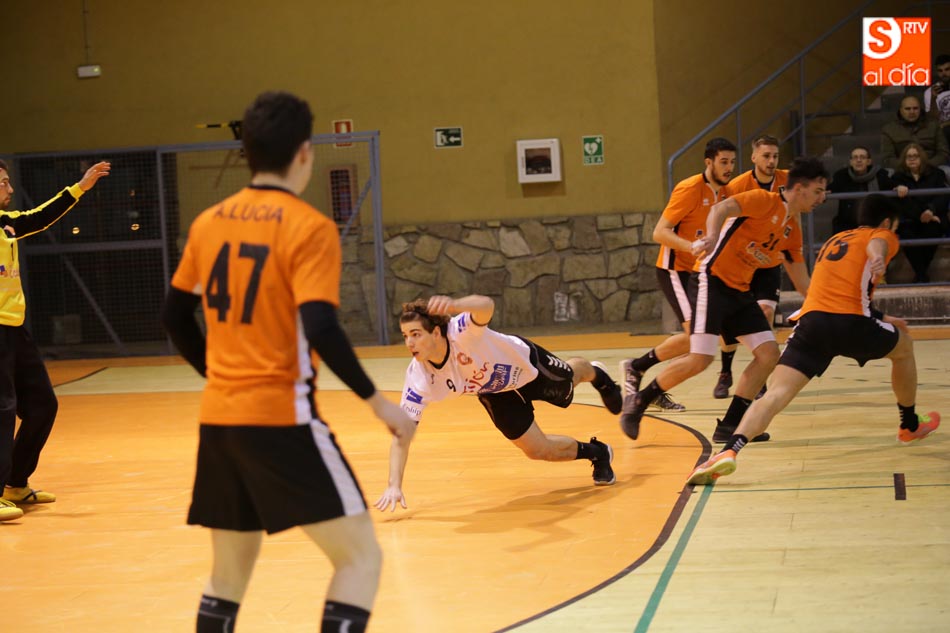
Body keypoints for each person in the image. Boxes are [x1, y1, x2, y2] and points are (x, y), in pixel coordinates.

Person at [161, 91, 416, 633]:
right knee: (361, 558)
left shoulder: (208, 223)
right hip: (281, 420)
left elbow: (175, 315)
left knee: (227, 576)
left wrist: (218, 375)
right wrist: (379, 405)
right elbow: (320, 326)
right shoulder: (309, 227)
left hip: (220, 420)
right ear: (304, 152)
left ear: (249, 152)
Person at [687, 194, 940, 485]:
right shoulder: (881, 235)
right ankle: (909, 425)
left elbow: (837, 291)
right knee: (904, 347)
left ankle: (729, 451)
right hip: (851, 324)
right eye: (893, 227)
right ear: (886, 222)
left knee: (775, 394)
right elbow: (877, 244)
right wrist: (878, 257)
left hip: (812, 324)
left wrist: (883, 317)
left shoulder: (836, 240)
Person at [619, 157, 829, 444]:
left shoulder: (791, 226)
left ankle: (730, 426)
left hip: (739, 291)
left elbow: (800, 276)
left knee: (769, 355)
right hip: (712, 280)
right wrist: (714, 234)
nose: (822, 198)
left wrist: (822, 305)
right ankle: (640, 401)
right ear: (800, 188)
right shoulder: (764, 200)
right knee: (700, 358)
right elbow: (721, 208)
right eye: (818, 191)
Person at [374, 293, 623, 512]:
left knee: (568, 384)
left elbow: (486, 306)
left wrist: (455, 304)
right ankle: (599, 453)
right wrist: (394, 485)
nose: (409, 343)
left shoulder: (460, 332)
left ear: (436, 332)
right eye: (405, 336)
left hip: (524, 366)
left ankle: (598, 375)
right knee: (537, 450)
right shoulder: (418, 378)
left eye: (416, 334)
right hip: (494, 391)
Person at [0, 159, 111, 523]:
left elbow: (40, 217)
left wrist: (80, 187)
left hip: (14, 328)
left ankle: (16, 483)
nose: (10, 189)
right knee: (2, 410)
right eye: (3, 183)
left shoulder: (6, 223)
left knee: (42, 405)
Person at [617, 137, 737, 415]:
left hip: (700, 272)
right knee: (696, 336)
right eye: (723, 162)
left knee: (699, 336)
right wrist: (689, 246)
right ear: (708, 162)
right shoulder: (689, 188)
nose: (729, 167)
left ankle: (639, 370)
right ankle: (640, 372)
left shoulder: (728, 192)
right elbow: (659, 232)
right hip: (675, 269)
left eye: (732, 162)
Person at [712, 135, 811, 400]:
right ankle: (725, 371)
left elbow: (794, 217)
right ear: (754, 157)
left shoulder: (788, 180)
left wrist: (793, 248)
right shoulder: (739, 185)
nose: (771, 161)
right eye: (766, 156)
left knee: (766, 311)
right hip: (741, 259)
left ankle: (760, 378)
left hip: (769, 259)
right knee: (729, 326)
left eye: (775, 156)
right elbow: (722, 216)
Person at [889, 142, 950, 283]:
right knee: (906, 233)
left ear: (922, 158)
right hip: (911, 218)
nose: (912, 159)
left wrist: (931, 210)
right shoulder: (898, 178)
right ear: (904, 159)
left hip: (934, 216)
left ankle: (921, 275)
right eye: (908, 156)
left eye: (915, 156)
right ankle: (922, 275)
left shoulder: (937, 173)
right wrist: (921, 215)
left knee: (933, 230)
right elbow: (903, 204)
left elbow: (943, 196)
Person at [828, 146, 898, 234]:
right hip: (848, 225)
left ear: (869, 161)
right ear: (851, 162)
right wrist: (824, 191)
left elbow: (893, 186)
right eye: (855, 157)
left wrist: (899, 187)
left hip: (874, 223)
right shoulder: (842, 176)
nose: (858, 160)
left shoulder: (880, 175)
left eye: (862, 157)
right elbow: (831, 189)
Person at [880, 95, 949, 169]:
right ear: (901, 110)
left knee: (947, 171)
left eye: (915, 108)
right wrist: (907, 167)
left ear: (920, 109)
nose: (912, 112)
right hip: (902, 170)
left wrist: (927, 166)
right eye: (907, 109)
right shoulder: (889, 129)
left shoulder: (933, 126)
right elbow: (887, 158)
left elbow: (943, 152)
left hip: (931, 167)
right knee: (888, 172)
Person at [923, 54, 950, 146]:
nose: (944, 73)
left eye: (947, 69)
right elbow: (932, 120)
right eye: (940, 71)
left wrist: (945, 124)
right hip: (943, 133)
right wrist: (933, 99)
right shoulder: (929, 92)